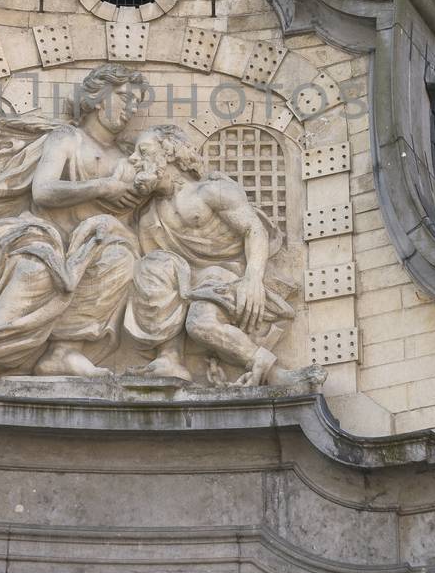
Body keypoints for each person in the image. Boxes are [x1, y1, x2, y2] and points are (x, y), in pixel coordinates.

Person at [0, 65, 151, 379]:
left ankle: (63, 353)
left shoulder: (125, 158)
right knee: (35, 268)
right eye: (124, 97)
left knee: (121, 259)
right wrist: (103, 187)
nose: (130, 108)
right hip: (45, 236)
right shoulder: (67, 138)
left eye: (136, 102)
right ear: (97, 99)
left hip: (91, 247)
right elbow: (43, 190)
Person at [121, 125, 303, 386]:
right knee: (154, 264)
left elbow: (254, 230)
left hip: (226, 276)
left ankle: (270, 370)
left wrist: (252, 279)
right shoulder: (148, 216)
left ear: (169, 153)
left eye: (143, 151)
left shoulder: (209, 191)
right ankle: (170, 358)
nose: (134, 159)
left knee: (200, 324)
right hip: (188, 285)